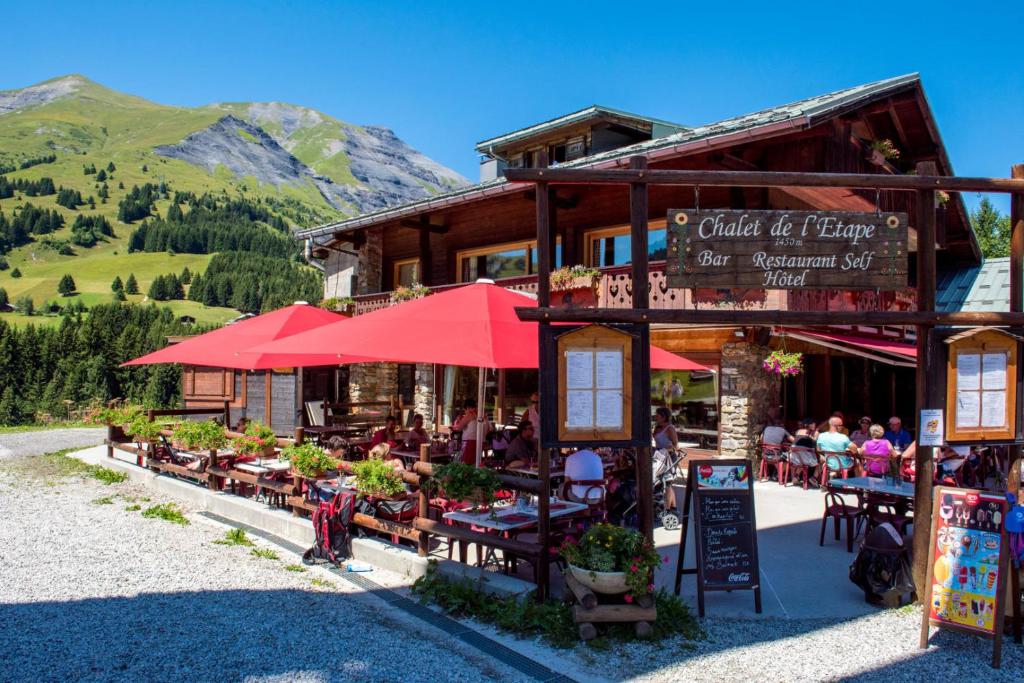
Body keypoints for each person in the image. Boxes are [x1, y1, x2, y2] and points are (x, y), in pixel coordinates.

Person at [452, 398, 490, 465]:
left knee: (466, 464)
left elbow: (459, 427)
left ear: (467, 408)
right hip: (481, 442)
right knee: (475, 463)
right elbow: (489, 429)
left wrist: (458, 421)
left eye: (465, 410)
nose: (465, 412)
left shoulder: (470, 414)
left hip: (469, 442)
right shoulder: (483, 415)